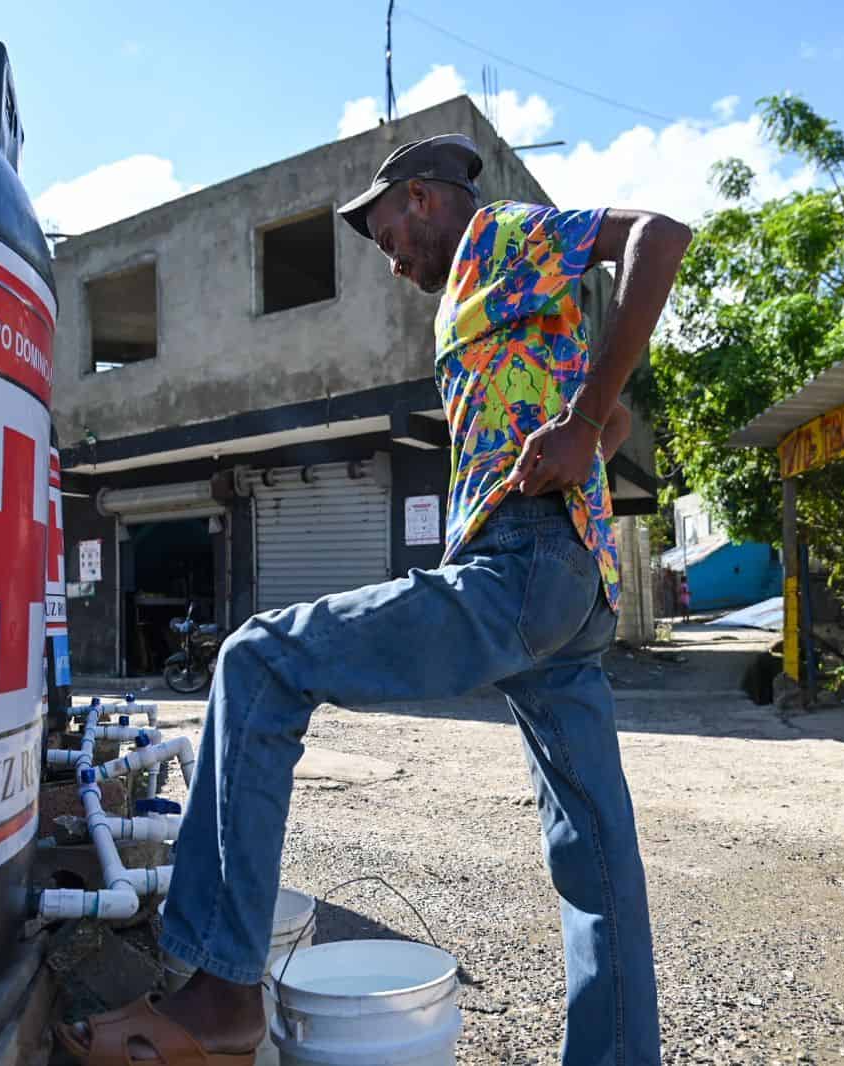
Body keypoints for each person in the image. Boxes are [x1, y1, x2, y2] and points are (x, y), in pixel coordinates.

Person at [58, 133, 690, 1066]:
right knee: (595, 859)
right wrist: (590, 418)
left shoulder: (498, 239)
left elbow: (660, 235)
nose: (389, 258)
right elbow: (594, 409)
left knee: (258, 659)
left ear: (423, 197)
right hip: (569, 584)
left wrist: (588, 421)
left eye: (385, 231)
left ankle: (225, 991)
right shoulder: (496, 299)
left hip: (523, 565)